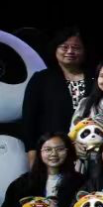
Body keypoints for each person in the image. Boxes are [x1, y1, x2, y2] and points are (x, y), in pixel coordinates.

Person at [22, 27, 87, 167]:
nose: (70, 51)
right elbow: (29, 120)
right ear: (55, 49)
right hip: (52, 152)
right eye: (64, 47)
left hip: (89, 151)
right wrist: (32, 154)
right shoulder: (41, 79)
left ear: (84, 51)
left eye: (76, 47)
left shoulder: (96, 78)